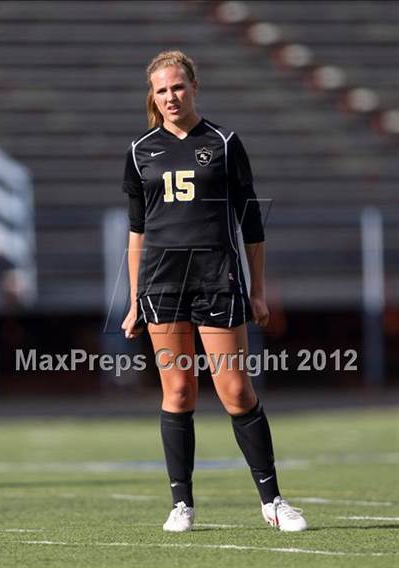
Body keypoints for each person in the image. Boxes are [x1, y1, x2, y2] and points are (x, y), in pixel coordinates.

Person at [121, 50, 307, 533]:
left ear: (194, 87)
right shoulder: (141, 150)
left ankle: (273, 501)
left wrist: (258, 289)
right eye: (161, 90)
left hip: (216, 279)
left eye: (177, 87)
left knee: (235, 390)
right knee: (179, 390)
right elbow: (137, 231)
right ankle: (181, 503)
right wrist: (133, 298)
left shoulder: (224, 142)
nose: (170, 97)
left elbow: (250, 222)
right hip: (162, 284)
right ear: (153, 96)